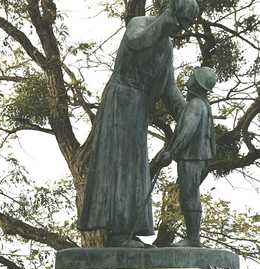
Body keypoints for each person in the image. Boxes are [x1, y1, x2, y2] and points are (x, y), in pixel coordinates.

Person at [79, 0, 200, 247]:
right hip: (120, 99)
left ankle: (126, 232)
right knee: (120, 164)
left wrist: (190, 116)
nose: (182, 29)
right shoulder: (140, 24)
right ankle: (118, 233)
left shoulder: (166, 47)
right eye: (182, 21)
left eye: (186, 25)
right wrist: (165, 22)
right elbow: (137, 42)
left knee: (134, 167)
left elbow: (170, 89)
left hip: (138, 107)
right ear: (171, 13)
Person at [161, 67, 217, 247]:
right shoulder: (201, 104)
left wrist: (172, 152)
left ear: (197, 83)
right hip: (195, 157)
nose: (188, 80)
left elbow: (187, 132)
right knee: (188, 194)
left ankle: (193, 239)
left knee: (189, 195)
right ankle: (193, 237)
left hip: (191, 156)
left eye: (192, 77)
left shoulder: (195, 105)